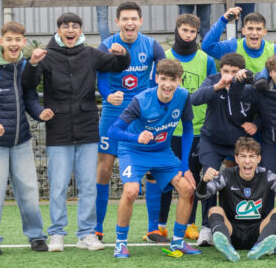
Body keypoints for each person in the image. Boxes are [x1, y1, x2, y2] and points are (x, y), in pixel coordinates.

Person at [22, 12, 130, 252]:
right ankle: (57, 233)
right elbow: (28, 83)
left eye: (75, 26)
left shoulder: (91, 54)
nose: (70, 30)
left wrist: (123, 53)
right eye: (65, 26)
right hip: (58, 129)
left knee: (88, 185)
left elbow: (118, 64)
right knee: (58, 186)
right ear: (58, 31)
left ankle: (86, 234)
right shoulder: (46, 55)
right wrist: (33, 63)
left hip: (87, 128)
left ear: (81, 31)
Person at [0, 21, 54, 255]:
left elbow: (30, 98)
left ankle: (36, 237)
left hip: (21, 142)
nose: (14, 44)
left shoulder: (25, 66)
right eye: (9, 39)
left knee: (29, 193)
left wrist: (40, 113)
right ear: (1, 42)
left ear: (23, 42)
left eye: (18, 40)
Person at [107, 59, 200, 258]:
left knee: (187, 189)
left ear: (179, 81)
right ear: (156, 78)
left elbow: (188, 129)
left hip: (161, 151)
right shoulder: (141, 100)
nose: (168, 84)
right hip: (133, 150)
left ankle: (178, 242)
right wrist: (136, 137)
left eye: (173, 80)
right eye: (164, 79)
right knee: (131, 191)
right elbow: (113, 131)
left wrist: (184, 165)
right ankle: (120, 243)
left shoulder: (183, 96)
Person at [94, 1, 167, 243]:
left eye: (134, 18)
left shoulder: (152, 45)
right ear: (117, 22)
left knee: (152, 170)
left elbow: (163, 73)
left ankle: (153, 229)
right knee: (104, 170)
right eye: (125, 19)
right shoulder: (106, 45)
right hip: (113, 113)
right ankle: (97, 228)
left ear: (140, 21)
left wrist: (151, 96)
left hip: (142, 116)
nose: (129, 23)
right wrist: (107, 95)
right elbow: (101, 78)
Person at [197, 137, 276, 262]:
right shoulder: (226, 175)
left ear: (258, 159)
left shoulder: (267, 175)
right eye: (243, 156)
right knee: (214, 210)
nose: (247, 161)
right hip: (231, 230)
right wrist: (204, 182)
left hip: (259, 232)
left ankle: (260, 246)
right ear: (236, 159)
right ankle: (226, 246)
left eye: (252, 156)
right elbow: (202, 195)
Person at [157, 13, 218, 243]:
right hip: (170, 130)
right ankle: (160, 226)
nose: (188, 35)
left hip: (200, 130)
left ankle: (193, 225)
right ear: (177, 30)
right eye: (184, 30)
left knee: (196, 179)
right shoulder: (164, 56)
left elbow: (213, 91)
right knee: (165, 179)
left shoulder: (206, 59)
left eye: (192, 32)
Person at [231, 52, 276, 232]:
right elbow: (237, 94)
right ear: (269, 73)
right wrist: (238, 79)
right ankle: (266, 223)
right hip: (272, 143)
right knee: (267, 182)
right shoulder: (261, 88)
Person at [190, 52, 258, 243]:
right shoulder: (213, 80)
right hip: (211, 141)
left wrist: (256, 124)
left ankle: (239, 225)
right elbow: (195, 99)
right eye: (225, 71)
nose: (229, 75)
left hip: (238, 143)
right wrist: (218, 86)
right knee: (209, 177)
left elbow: (263, 108)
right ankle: (207, 227)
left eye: (234, 72)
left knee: (242, 181)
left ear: (242, 71)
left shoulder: (249, 85)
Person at [201, 7, 276, 73]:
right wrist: (223, 20)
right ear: (243, 31)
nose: (254, 33)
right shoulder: (233, 46)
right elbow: (207, 46)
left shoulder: (274, 50)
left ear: (264, 32)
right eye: (250, 28)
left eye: (258, 29)